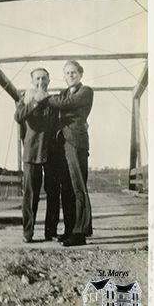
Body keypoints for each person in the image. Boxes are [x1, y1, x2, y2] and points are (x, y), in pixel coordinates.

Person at [35, 61, 93, 246]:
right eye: (67, 73)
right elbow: (58, 107)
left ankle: (80, 232)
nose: (70, 75)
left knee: (78, 187)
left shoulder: (86, 91)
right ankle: (70, 229)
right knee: (68, 189)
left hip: (76, 143)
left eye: (74, 72)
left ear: (81, 74)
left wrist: (43, 97)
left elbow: (67, 104)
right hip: (63, 145)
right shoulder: (63, 93)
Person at [14, 68, 60, 243]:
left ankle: (51, 232)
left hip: (52, 153)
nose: (41, 82)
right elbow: (18, 116)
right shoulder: (24, 99)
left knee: (54, 193)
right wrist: (34, 102)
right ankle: (28, 232)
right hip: (32, 152)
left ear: (49, 81)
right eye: (37, 79)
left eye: (44, 79)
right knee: (30, 195)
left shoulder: (53, 100)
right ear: (32, 81)